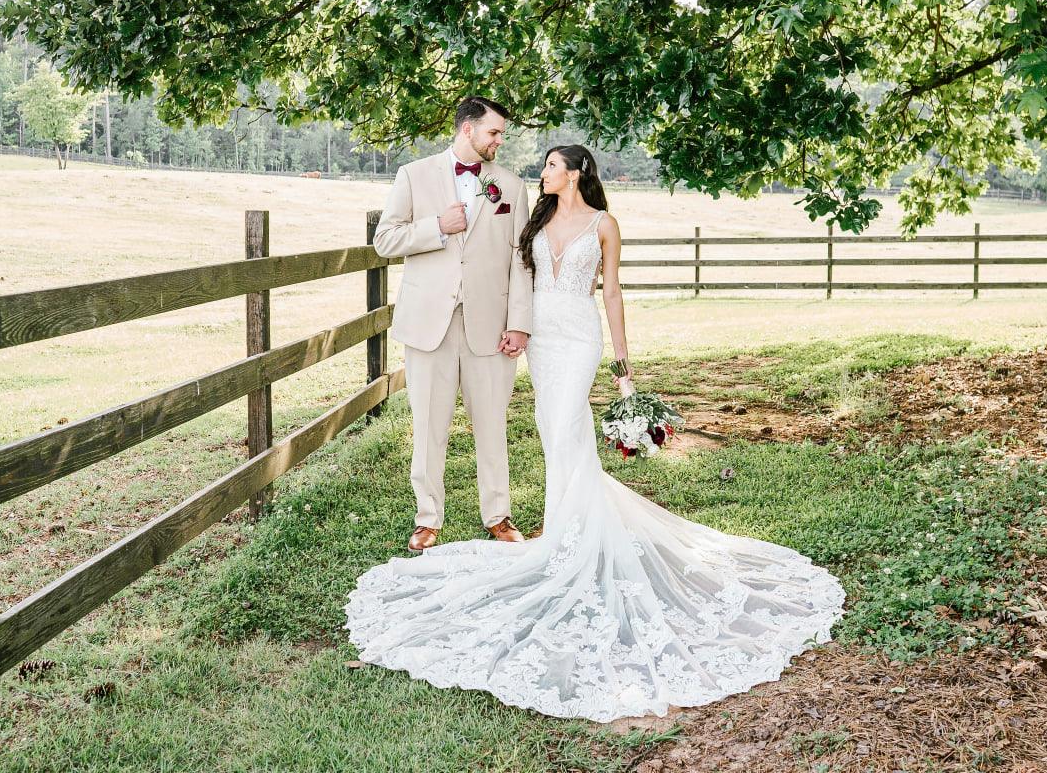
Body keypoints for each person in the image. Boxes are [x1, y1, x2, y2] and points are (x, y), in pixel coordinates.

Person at [346, 143, 844, 721]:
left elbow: (611, 290)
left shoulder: (605, 224)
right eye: (544, 165)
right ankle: (566, 532)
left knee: (565, 428)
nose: (543, 172)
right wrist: (514, 324)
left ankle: (569, 539)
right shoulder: (535, 216)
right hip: (539, 336)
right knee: (554, 433)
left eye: (553, 165)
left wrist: (623, 361)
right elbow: (512, 270)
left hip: (580, 338)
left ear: (578, 173)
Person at [371, 95, 534, 552]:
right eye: (494, 132)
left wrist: (519, 323)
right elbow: (385, 240)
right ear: (468, 129)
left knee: (492, 426)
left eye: (501, 134)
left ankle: (498, 515)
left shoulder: (511, 186)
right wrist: (437, 227)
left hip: (491, 327)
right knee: (428, 427)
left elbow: (521, 260)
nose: (499, 141)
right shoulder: (413, 175)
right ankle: (428, 518)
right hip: (429, 325)